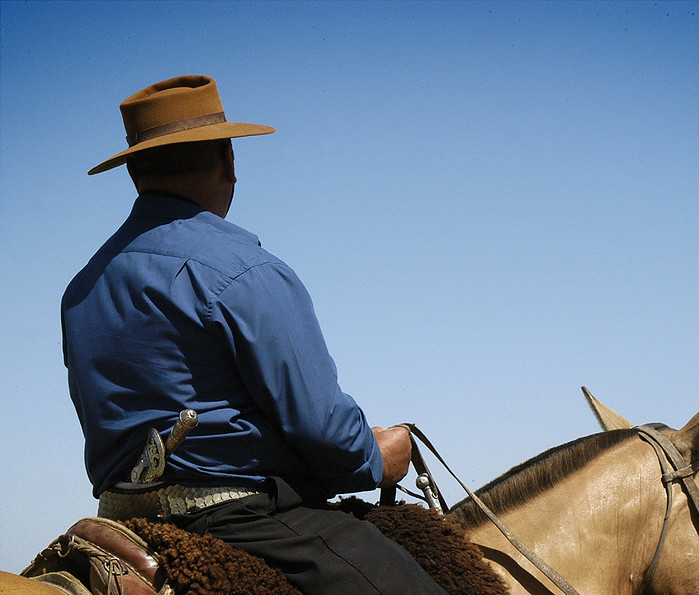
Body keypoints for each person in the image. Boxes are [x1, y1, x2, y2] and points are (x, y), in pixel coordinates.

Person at [61, 75, 445, 594]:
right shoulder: (244, 271)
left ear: (134, 170)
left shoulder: (83, 287)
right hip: (243, 520)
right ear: (228, 160)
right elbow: (322, 429)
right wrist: (375, 458)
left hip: (120, 517)